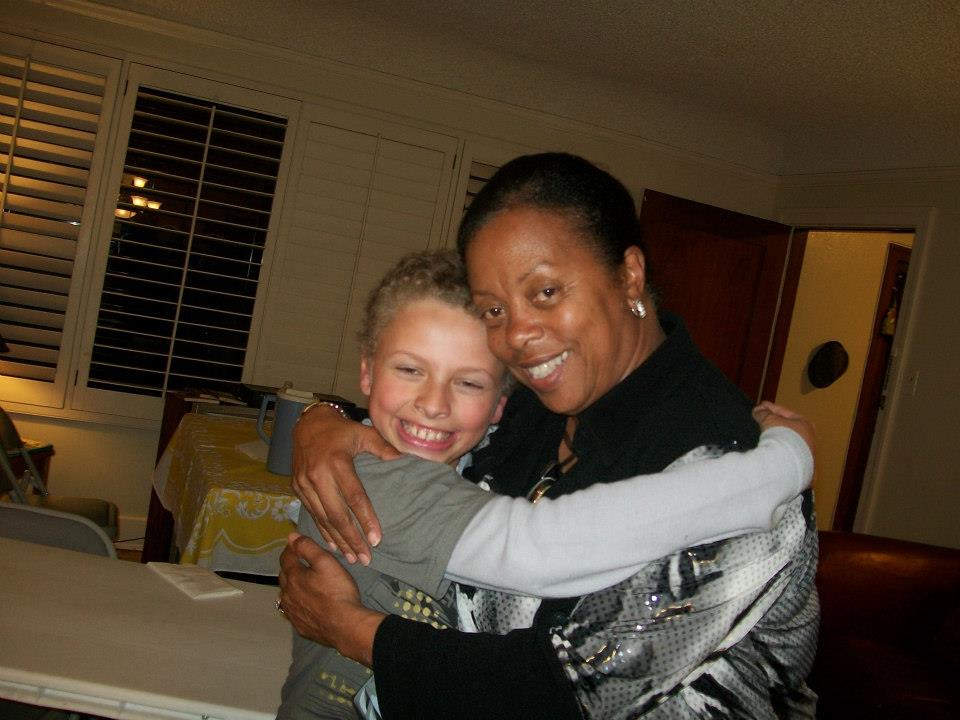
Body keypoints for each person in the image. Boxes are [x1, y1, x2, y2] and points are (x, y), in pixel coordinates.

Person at [279, 153, 819, 718]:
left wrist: (352, 630)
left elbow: (564, 694)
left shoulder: (728, 467)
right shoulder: (537, 404)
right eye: (493, 309)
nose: (516, 334)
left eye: (545, 292)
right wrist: (325, 420)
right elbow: (424, 427)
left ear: (629, 275)